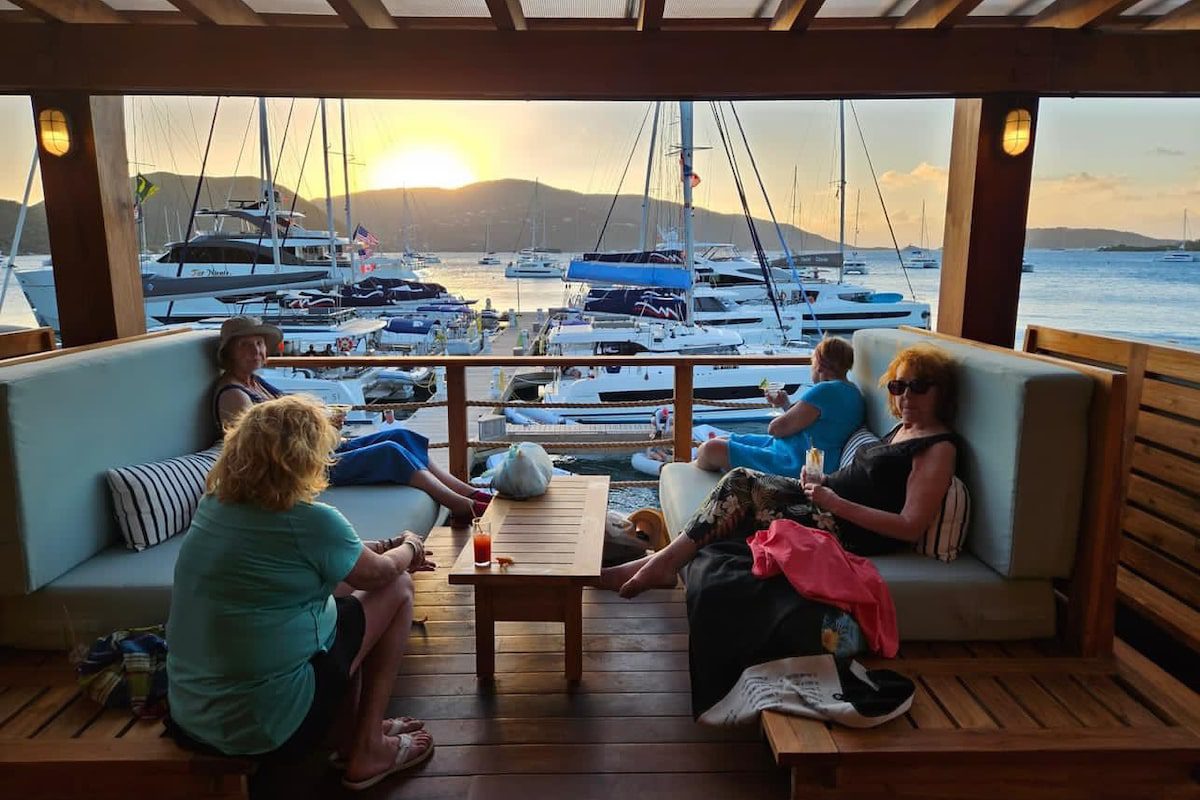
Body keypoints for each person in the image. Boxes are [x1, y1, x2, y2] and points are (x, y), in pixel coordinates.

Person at [167, 395, 435, 790]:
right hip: (267, 726)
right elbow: (379, 576)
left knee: (341, 608)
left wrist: (382, 546)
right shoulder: (310, 521)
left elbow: (323, 561)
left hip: (193, 715)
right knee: (398, 586)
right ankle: (368, 749)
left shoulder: (215, 506)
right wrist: (410, 545)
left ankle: (353, 734)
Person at [601, 344, 958, 599]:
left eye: (918, 386)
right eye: (898, 386)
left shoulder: (936, 448)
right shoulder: (904, 430)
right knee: (739, 481)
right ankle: (664, 564)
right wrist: (824, 482)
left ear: (939, 392)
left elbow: (910, 526)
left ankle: (662, 565)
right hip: (828, 501)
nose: (906, 396)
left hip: (846, 528)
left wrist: (834, 501)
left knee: (740, 488)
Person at [212, 315, 489, 523]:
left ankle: (469, 492)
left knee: (401, 435)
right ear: (229, 353)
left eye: (259, 344)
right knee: (390, 451)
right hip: (296, 468)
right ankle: (461, 506)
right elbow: (257, 450)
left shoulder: (257, 383)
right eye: (246, 346)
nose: (256, 351)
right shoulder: (234, 395)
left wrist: (323, 425)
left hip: (314, 451)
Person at [694, 336, 864, 476]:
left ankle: (703, 484)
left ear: (819, 364)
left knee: (711, 448)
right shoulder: (852, 391)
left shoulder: (825, 390)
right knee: (722, 440)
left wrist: (783, 415)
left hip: (796, 464)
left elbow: (775, 429)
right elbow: (812, 424)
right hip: (798, 453)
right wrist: (785, 405)